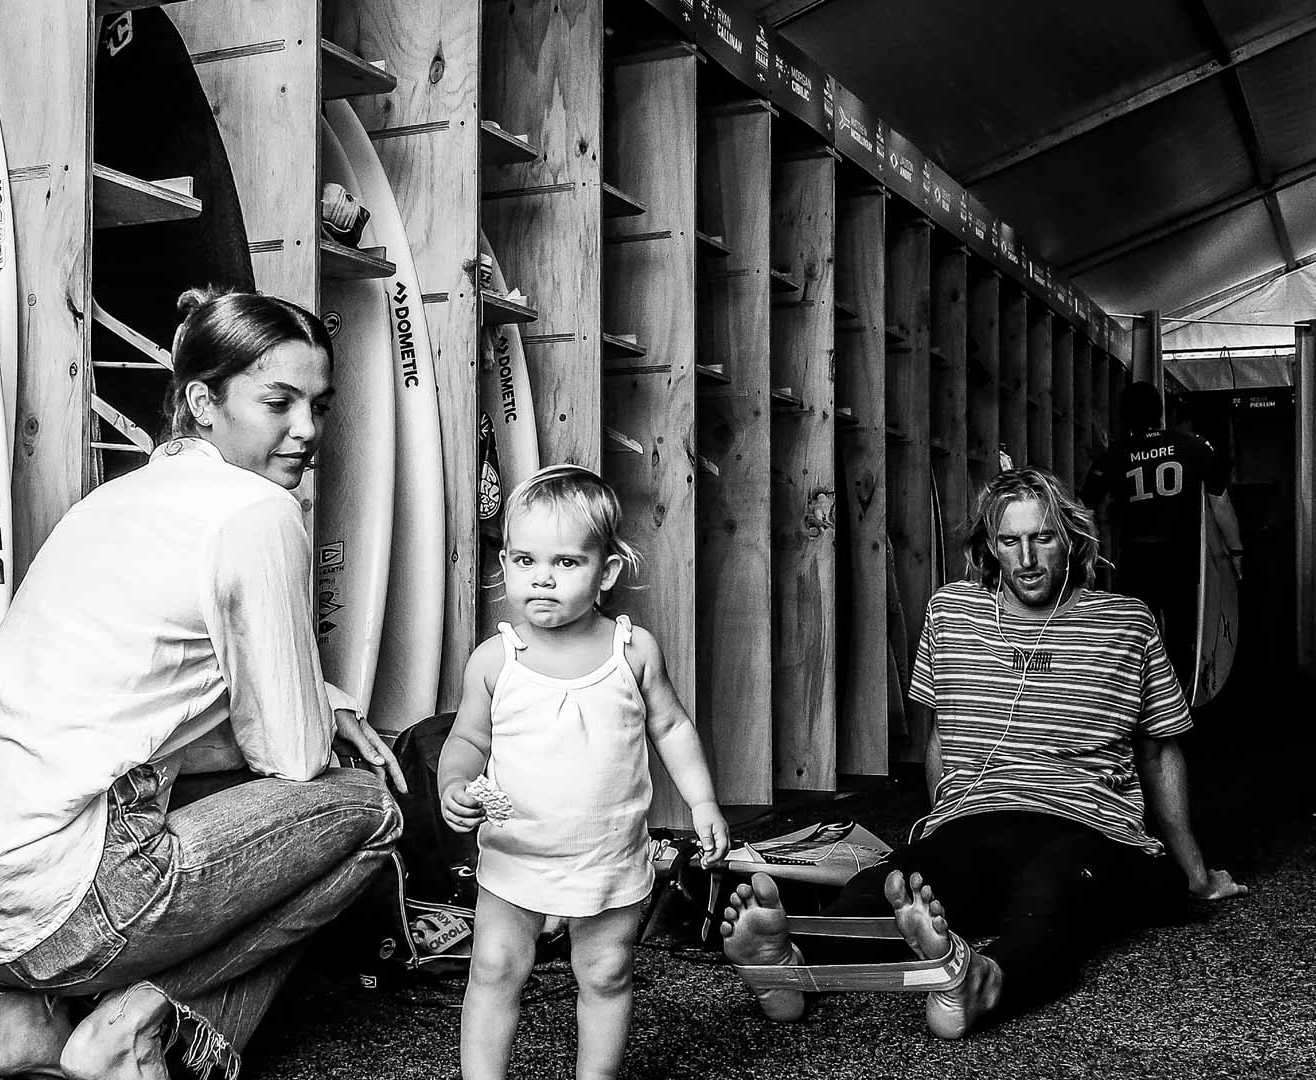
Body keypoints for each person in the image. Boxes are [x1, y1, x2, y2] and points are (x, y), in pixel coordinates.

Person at [0, 288, 407, 1080]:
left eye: (319, 405)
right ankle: (144, 1018)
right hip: (71, 899)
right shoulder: (257, 512)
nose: (306, 430)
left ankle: (28, 1020)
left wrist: (322, 698)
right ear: (203, 402)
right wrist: (318, 710)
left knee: (204, 777)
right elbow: (295, 758)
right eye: (278, 402)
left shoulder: (113, 500)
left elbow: (141, 728)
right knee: (368, 807)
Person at [720, 467, 1247, 1040]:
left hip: (1089, 830)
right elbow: (942, 736)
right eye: (1009, 541)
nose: (1026, 559)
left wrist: (1195, 871)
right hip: (979, 818)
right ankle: (793, 965)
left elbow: (1159, 752)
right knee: (898, 879)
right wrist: (940, 828)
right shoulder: (950, 614)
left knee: (1052, 890)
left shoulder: (1126, 621)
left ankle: (987, 980)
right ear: (988, 546)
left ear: (1070, 536)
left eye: (1042, 537)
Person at [436, 465, 731, 1080]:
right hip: (517, 853)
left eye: (567, 563)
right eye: (523, 560)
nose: (541, 577)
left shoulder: (633, 650)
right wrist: (453, 784)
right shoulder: (497, 660)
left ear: (608, 572)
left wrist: (702, 802)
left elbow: (671, 727)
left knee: (605, 972)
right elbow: (466, 737)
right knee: (493, 968)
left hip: (609, 853)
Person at [1079, 380, 1234, 670]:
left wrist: (1087, 553)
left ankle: (1144, 694)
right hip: (1181, 557)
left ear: (1125, 416)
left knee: (1138, 633)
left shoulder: (1116, 454)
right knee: (1182, 632)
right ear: (1161, 411)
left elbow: (1084, 505)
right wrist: (1235, 552)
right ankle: (1180, 695)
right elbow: (1220, 502)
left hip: (1137, 559)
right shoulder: (1193, 446)